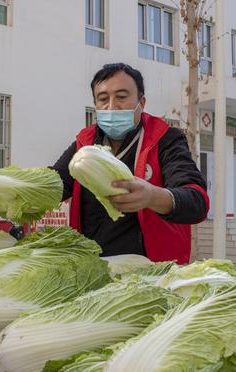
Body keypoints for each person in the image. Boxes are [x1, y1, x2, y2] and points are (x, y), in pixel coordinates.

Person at [52, 63, 209, 264]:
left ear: (141, 102)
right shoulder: (85, 144)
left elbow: (197, 201)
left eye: (121, 97)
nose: (111, 106)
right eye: (103, 99)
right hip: (92, 270)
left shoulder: (165, 139)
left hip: (150, 274)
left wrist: (153, 196)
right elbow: (54, 184)